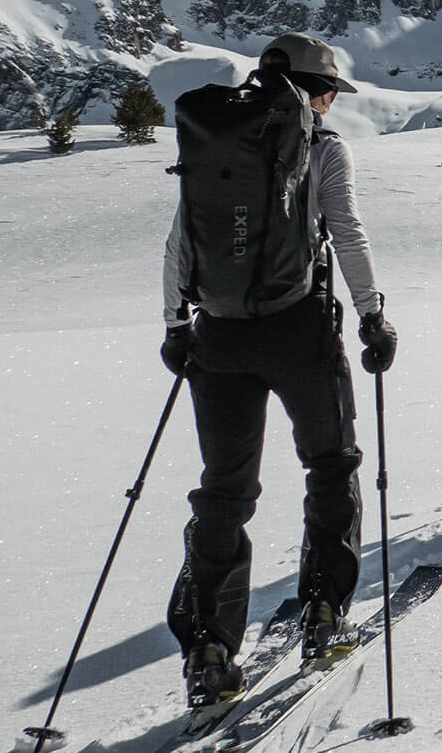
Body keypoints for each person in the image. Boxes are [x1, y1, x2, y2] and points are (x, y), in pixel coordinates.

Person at [160, 34, 396, 705]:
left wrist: (177, 324)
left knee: (224, 494)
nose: (329, 105)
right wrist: (373, 313)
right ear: (311, 91)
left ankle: (209, 652)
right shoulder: (321, 147)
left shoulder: (217, 141)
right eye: (327, 93)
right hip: (299, 330)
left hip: (219, 335)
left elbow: (182, 237)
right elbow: (345, 229)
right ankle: (324, 615)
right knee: (330, 463)